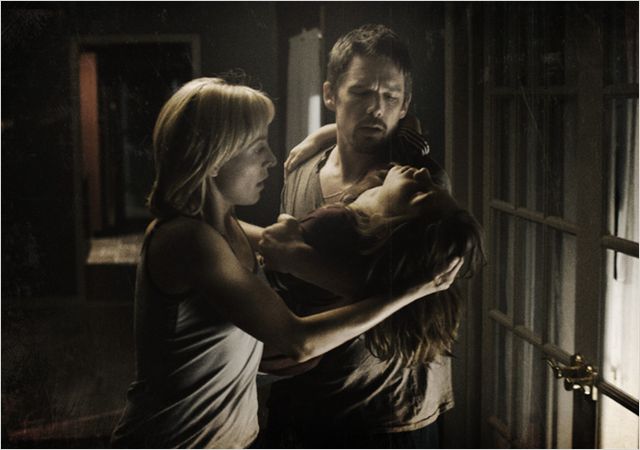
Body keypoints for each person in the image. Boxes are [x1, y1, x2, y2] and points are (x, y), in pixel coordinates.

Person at [109, 77, 462, 449]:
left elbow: (291, 261)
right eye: (257, 147)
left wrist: (327, 135)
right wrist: (413, 291)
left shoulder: (227, 227)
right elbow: (299, 341)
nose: (272, 159)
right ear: (213, 159)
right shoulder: (189, 240)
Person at [262, 24, 460, 448]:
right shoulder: (302, 168)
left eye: (390, 97)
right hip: (307, 401)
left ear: (405, 105)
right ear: (330, 94)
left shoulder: (419, 184)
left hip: (391, 413)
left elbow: (421, 302)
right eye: (361, 93)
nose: (376, 109)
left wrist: (298, 261)